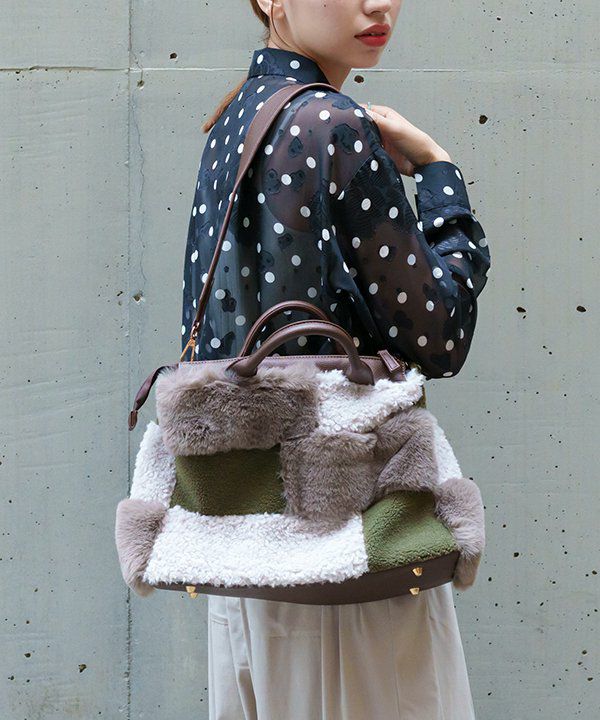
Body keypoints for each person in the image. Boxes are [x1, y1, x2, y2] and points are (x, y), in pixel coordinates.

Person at [180, 2, 490, 718]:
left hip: (250, 541)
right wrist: (439, 171)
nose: (377, 5)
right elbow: (440, 336)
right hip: (348, 548)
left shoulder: (236, 117)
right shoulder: (334, 124)